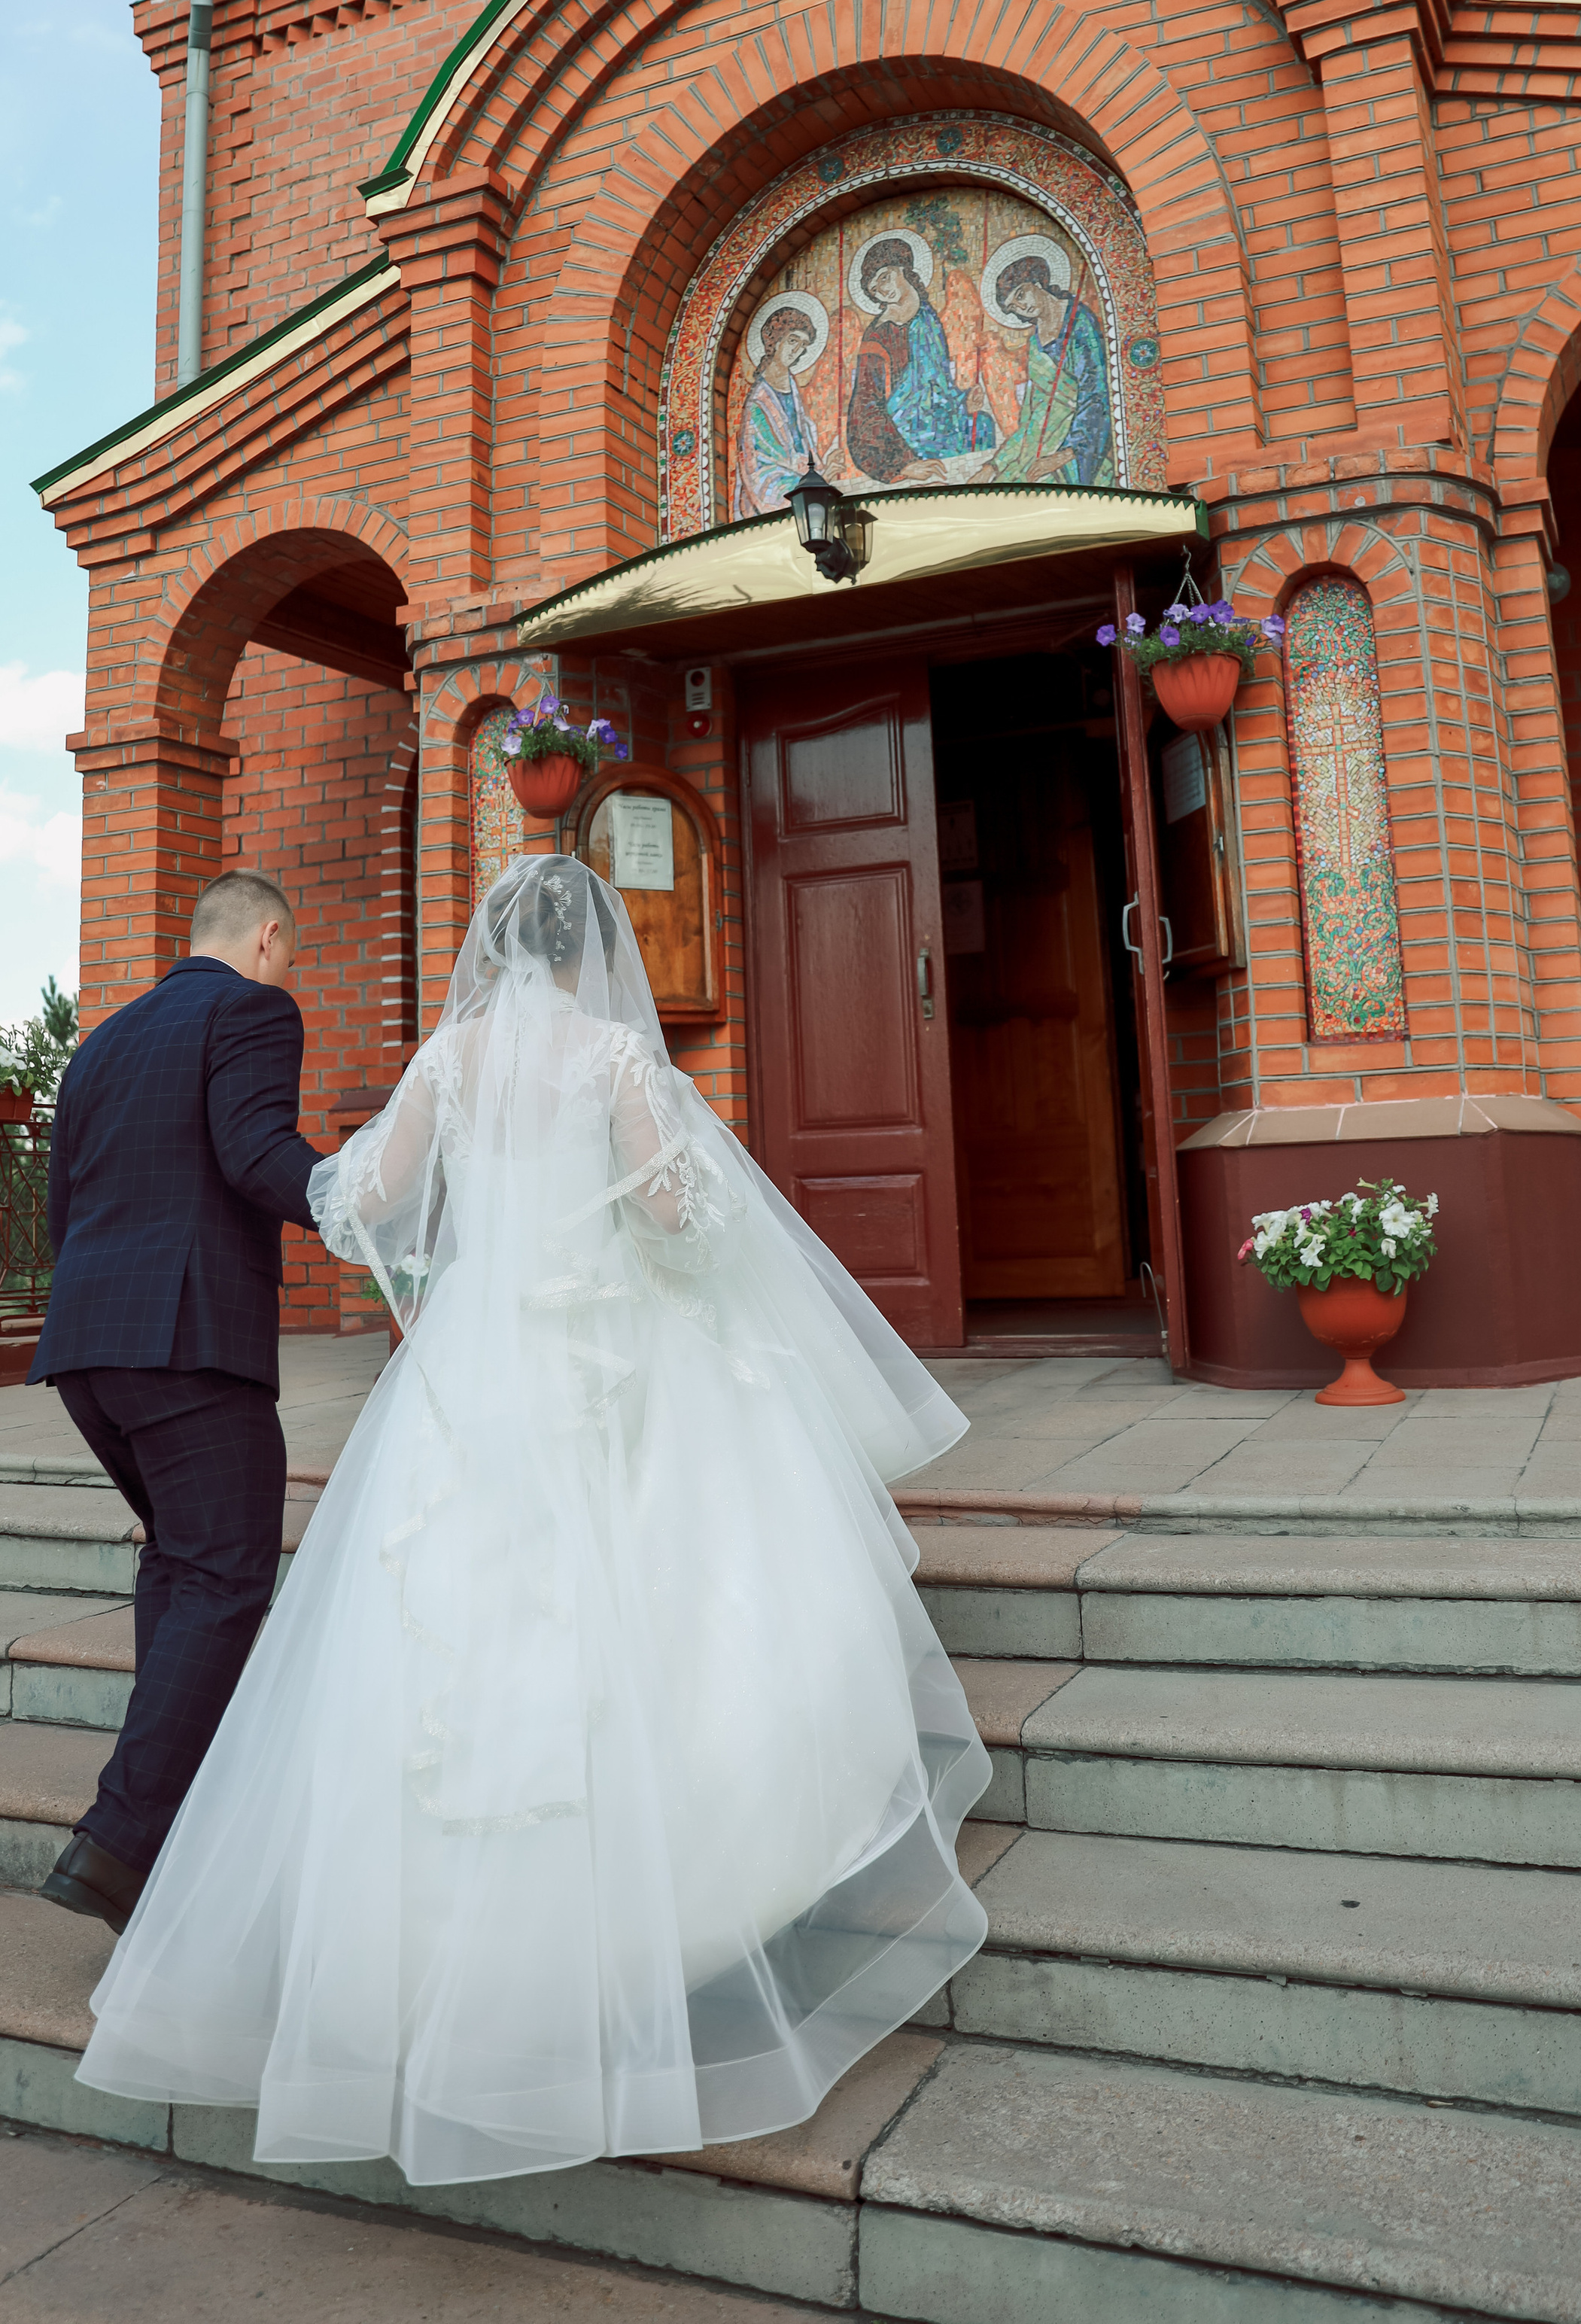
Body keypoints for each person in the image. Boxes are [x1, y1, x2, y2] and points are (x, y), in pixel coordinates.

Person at [75, 856, 989, 2186]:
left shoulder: (446, 1059)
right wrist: (698, 1190)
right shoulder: (617, 1057)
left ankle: (424, 1955)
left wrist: (364, 1215)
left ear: (489, 946)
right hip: (601, 1353)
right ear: (586, 952)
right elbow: (672, 1213)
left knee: (435, 1621)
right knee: (640, 1597)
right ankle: (638, 1928)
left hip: (470, 1362)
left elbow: (365, 1202)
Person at [31, 869, 325, 1938]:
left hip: (90, 1348)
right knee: (227, 1576)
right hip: (189, 1342)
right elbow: (255, 1154)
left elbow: (62, 1204)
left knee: (181, 1564)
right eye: (286, 953)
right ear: (268, 938)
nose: (284, 968)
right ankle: (118, 1843)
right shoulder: (253, 1007)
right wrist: (364, 1202)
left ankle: (165, 1840)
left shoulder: (101, 1041)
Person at [844, 237, 993, 480]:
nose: (882, 289)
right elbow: (866, 404)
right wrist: (900, 464)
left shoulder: (927, 317)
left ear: (902, 269)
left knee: (982, 425)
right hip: (902, 433)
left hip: (938, 418)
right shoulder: (878, 335)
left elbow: (938, 384)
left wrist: (964, 401)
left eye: (884, 277)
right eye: (874, 289)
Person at [987, 256, 1114, 484]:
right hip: (1039, 448)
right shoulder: (1035, 345)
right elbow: (1032, 415)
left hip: (1075, 450)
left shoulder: (1080, 322)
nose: (1022, 307)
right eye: (1014, 306)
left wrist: (1064, 455)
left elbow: (1096, 396)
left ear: (1036, 283)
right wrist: (994, 465)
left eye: (1021, 294)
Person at [732, 304, 827, 517]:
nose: (797, 350)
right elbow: (760, 463)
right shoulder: (759, 401)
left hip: (801, 478)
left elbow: (804, 440)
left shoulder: (792, 387)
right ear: (775, 341)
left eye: (803, 345)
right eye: (793, 340)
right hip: (770, 486)